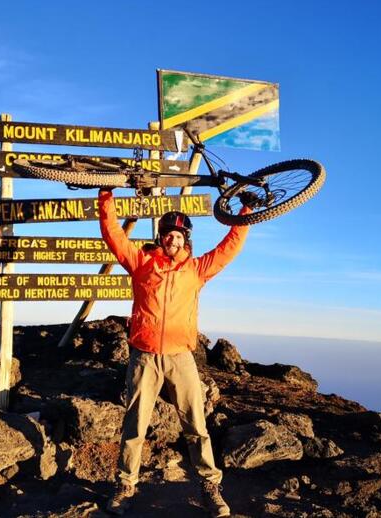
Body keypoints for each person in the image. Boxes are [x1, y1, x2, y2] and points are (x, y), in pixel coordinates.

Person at [98, 188, 250, 517]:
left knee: (196, 424)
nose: (173, 241)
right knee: (135, 425)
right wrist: (106, 197)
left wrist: (246, 211)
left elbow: (228, 249)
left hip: (181, 357)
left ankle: (210, 485)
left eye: (179, 236)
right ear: (161, 237)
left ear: (187, 240)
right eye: (168, 235)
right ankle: (126, 484)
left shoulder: (196, 270)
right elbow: (113, 236)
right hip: (144, 356)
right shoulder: (141, 263)